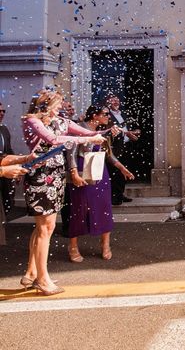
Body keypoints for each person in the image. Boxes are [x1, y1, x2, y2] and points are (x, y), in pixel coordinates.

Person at [21, 89, 105, 296]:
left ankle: (31, 273)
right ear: (46, 105)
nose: (61, 107)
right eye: (58, 104)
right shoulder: (32, 121)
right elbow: (53, 139)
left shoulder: (60, 120)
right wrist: (85, 140)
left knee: (44, 228)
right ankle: (42, 279)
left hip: (56, 176)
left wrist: (99, 134)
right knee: (44, 228)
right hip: (41, 176)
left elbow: (83, 131)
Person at [64, 105, 134, 263]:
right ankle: (73, 246)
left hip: (100, 169)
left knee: (103, 206)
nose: (108, 117)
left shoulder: (104, 130)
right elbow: (71, 153)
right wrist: (74, 172)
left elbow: (108, 154)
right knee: (79, 207)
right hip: (82, 167)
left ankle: (105, 243)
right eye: (105, 114)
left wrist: (122, 168)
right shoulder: (79, 128)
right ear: (94, 115)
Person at [106, 94, 138, 205]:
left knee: (125, 170)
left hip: (126, 145)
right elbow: (110, 130)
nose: (116, 102)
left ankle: (120, 193)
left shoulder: (123, 114)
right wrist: (126, 133)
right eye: (113, 101)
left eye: (117, 100)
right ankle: (114, 196)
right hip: (114, 147)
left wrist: (132, 133)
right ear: (108, 102)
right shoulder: (107, 115)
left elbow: (127, 128)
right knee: (115, 172)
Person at [0, 102, 16, 215]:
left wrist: (16, 164)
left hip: (5, 172)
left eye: (3, 111)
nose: (2, 113)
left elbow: (9, 150)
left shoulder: (4, 129)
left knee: (6, 203)